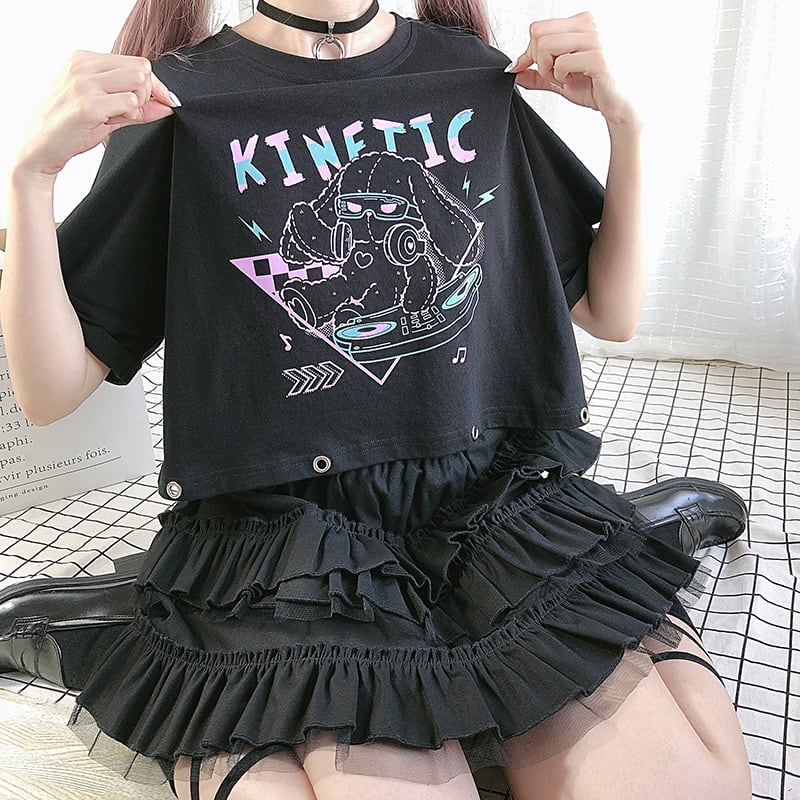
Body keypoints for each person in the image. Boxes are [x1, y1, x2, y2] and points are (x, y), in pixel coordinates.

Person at [1, 1, 753, 798]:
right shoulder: (179, 101)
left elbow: (609, 312)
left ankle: (625, 538)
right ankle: (130, 626)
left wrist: (627, 123)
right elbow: (50, 393)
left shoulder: (469, 75)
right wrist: (30, 177)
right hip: (294, 546)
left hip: (487, 508)